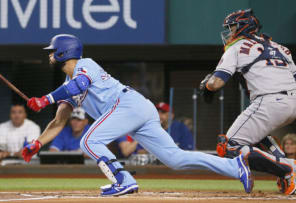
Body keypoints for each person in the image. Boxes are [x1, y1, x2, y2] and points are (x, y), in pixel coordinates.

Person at [21, 34, 253, 196]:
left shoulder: (85, 64)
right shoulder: (66, 85)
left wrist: (45, 99)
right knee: (175, 159)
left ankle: (124, 180)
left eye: (52, 52)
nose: (50, 56)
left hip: (128, 106)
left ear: (64, 51)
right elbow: (59, 120)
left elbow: (80, 84)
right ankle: (235, 167)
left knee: (89, 140)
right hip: (136, 112)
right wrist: (37, 144)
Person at [200, 8, 296, 195]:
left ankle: (288, 168)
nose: (230, 32)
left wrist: (206, 85)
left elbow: (217, 82)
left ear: (244, 27)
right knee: (253, 135)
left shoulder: (237, 47)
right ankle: (285, 171)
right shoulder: (281, 47)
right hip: (292, 101)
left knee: (229, 146)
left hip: (269, 100)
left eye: (233, 27)